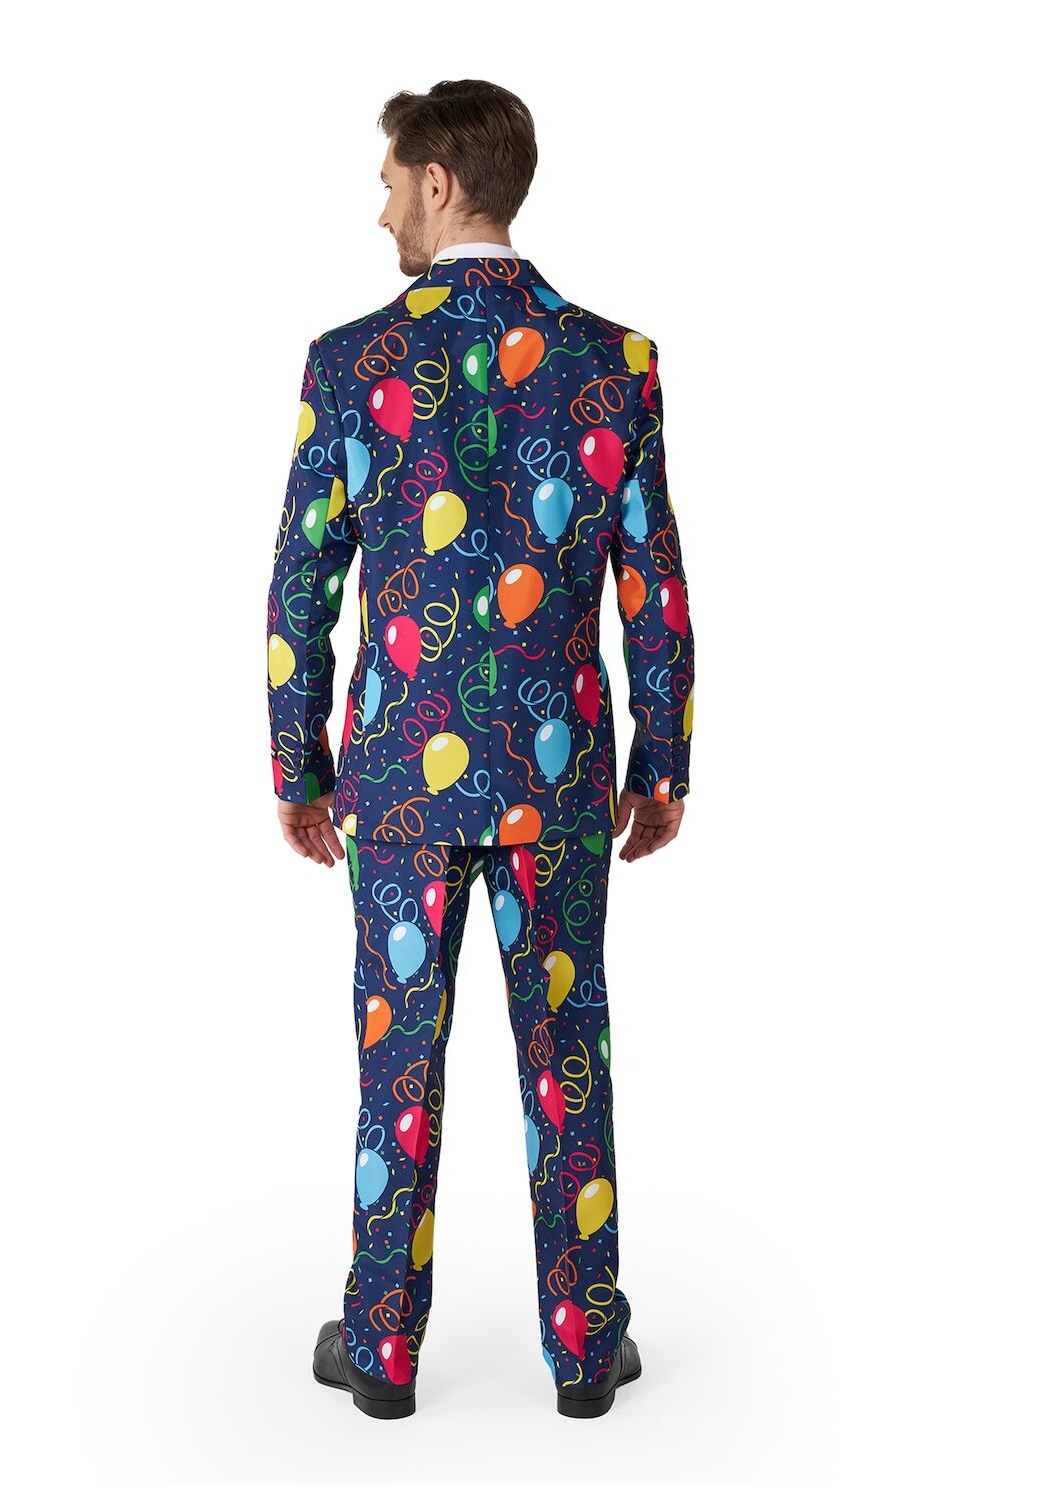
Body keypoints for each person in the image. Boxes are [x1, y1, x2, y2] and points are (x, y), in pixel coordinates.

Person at [264, 79, 695, 1420]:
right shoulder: (616, 361)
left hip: (399, 784)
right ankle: (585, 1350)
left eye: (392, 182)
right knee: (569, 1056)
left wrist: (297, 766)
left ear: (441, 184)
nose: (383, 208)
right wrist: (661, 764)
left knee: (399, 1065)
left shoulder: (349, 363)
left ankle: (382, 1353)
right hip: (557, 782)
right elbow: (654, 588)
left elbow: (301, 586)